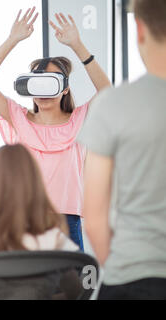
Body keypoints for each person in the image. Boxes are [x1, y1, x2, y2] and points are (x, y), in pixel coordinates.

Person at [0, 7, 111, 251]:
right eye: (38, 82)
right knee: (25, 286)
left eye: (52, 82)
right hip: (22, 217)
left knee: (68, 288)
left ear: (65, 88)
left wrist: (78, 46)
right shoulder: (18, 117)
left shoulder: (79, 120)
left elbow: (108, 92)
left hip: (67, 222)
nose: (44, 90)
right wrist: (12, 39)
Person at [77, 0, 166, 299]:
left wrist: (117, 270)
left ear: (139, 29)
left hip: (133, 275)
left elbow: (94, 215)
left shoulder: (114, 105)